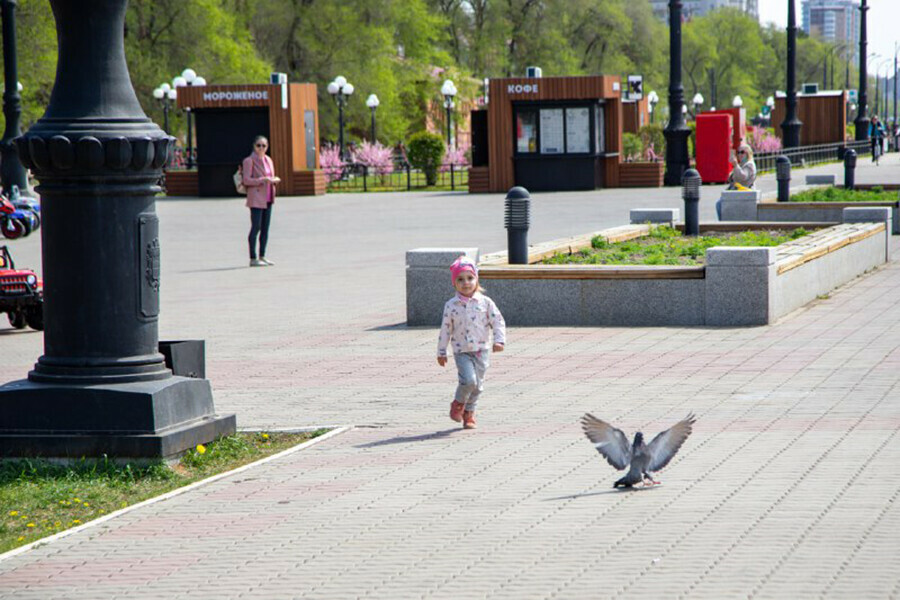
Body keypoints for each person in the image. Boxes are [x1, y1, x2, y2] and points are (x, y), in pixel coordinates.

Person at [436, 256, 506, 430]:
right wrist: (441, 351)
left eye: (470, 278)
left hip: (481, 350)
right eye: (460, 279)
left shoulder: (485, 302)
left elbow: (498, 321)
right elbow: (445, 329)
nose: (466, 283)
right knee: (469, 381)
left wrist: (499, 340)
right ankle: (458, 403)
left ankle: (469, 413)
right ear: (454, 283)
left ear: (476, 280)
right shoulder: (451, 305)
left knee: (478, 386)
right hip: (462, 351)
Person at [242, 136, 280, 266]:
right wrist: (263, 180)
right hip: (256, 198)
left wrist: (273, 180)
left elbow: (270, 176)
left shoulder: (269, 160)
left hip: (268, 197)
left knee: (265, 228)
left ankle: (262, 255)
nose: (261, 148)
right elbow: (246, 180)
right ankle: (253, 258)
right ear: (254, 146)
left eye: (264, 146)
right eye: (259, 145)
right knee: (256, 227)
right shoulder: (249, 161)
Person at [717, 143, 757, 220]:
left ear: (748, 153)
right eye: (738, 152)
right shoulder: (742, 164)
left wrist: (735, 165)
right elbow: (733, 178)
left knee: (720, 204)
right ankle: (723, 222)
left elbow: (743, 176)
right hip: (738, 191)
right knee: (719, 204)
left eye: (742, 152)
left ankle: (723, 223)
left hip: (744, 192)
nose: (739, 154)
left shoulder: (749, 164)